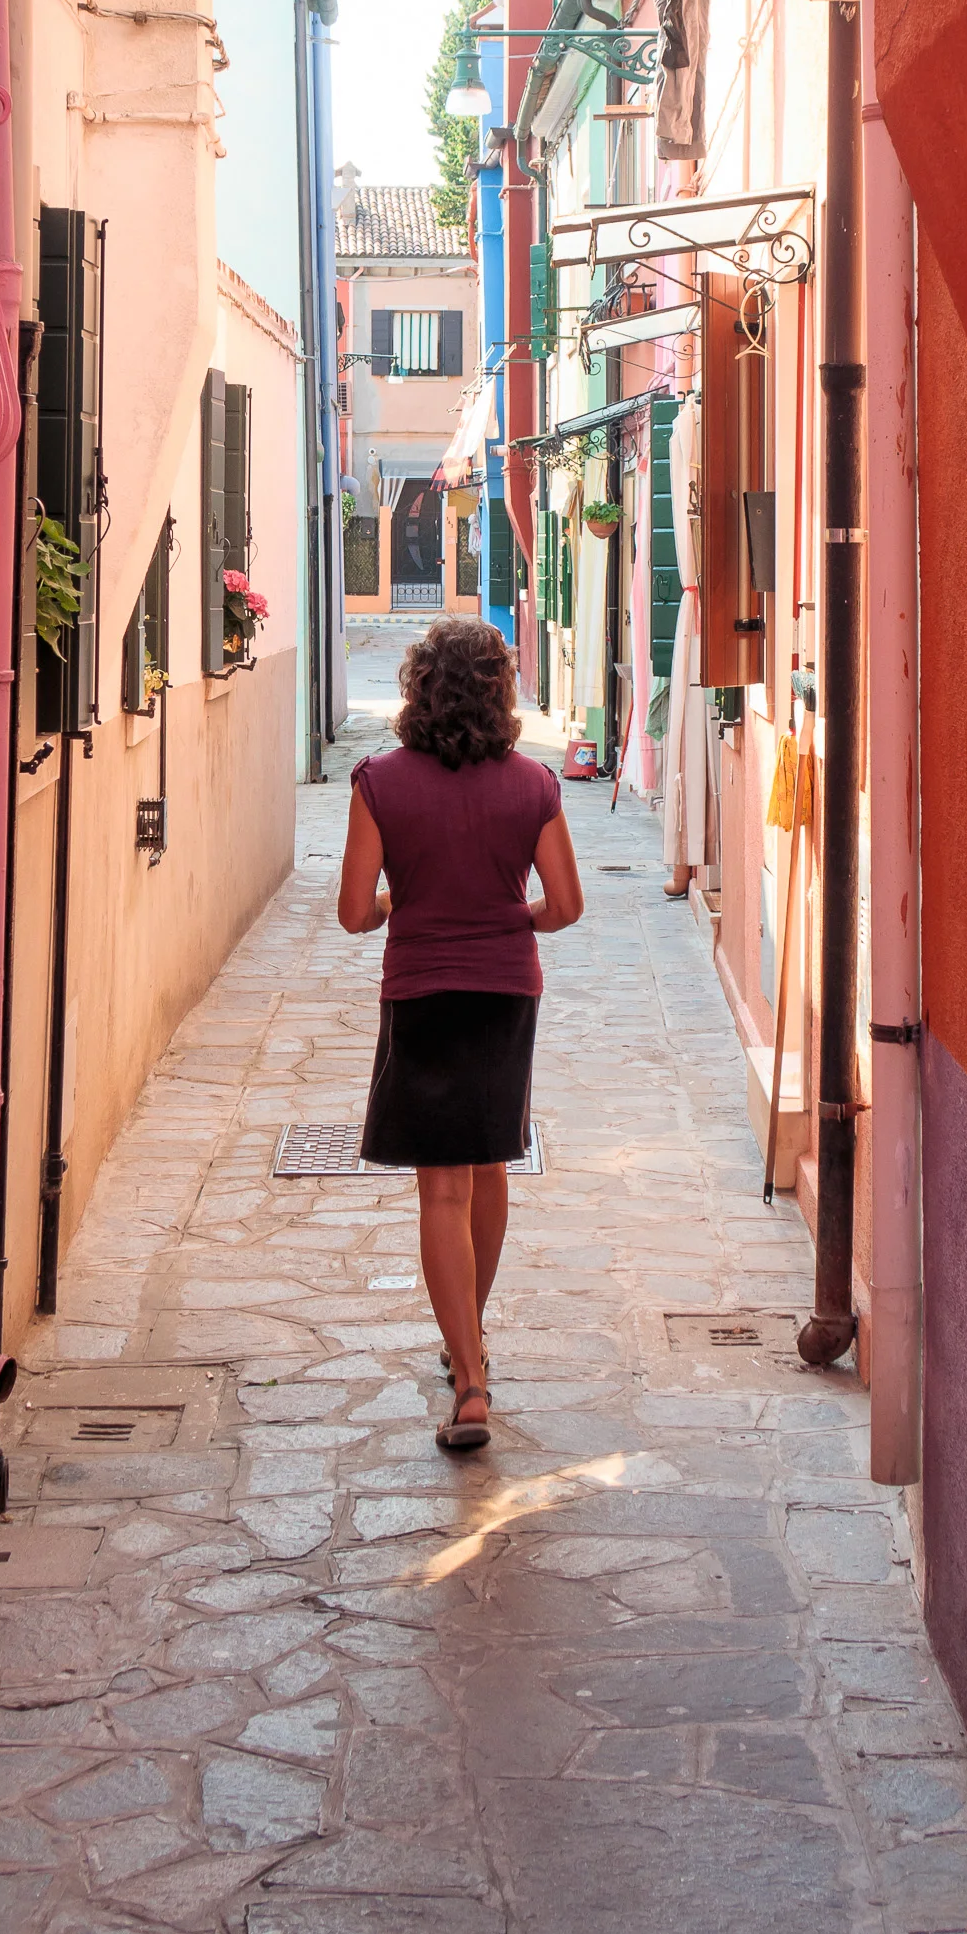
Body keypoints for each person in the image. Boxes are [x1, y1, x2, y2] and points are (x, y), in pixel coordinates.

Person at [336, 618, 583, 1451]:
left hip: (421, 994)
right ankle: (467, 1346)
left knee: (439, 1189)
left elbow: (351, 913)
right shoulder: (534, 786)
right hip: (506, 990)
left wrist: (400, 904)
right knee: (489, 1164)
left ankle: (469, 1376)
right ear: (500, 693)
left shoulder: (379, 783)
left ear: (417, 691)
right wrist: (511, 917)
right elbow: (567, 906)